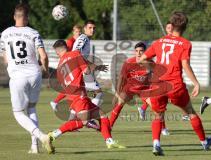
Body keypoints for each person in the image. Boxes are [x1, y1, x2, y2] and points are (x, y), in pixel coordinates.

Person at [138, 11, 211, 156]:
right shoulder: (185, 44)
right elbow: (185, 65)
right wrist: (196, 83)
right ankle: (204, 142)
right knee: (190, 112)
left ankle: (156, 144)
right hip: (175, 85)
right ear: (185, 27)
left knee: (157, 115)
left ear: (171, 26)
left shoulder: (159, 41)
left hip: (158, 84)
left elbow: (141, 60)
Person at [48, 40, 125, 151]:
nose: (57, 54)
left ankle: (109, 141)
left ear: (57, 51)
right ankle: (53, 135)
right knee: (81, 122)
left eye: (56, 53)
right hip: (79, 95)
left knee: (102, 115)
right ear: (66, 47)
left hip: (73, 95)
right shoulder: (75, 54)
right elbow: (87, 70)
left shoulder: (60, 64)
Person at [0, 4, 53, 154]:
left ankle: (42, 137)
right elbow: (44, 56)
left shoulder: (5, 33)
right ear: (27, 18)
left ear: (14, 17)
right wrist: (46, 71)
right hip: (34, 74)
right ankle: (34, 147)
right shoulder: (33, 33)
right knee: (31, 108)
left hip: (17, 76)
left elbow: (5, 59)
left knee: (18, 112)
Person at [50, 20, 103, 111]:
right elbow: (77, 52)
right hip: (80, 70)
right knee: (97, 93)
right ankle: (89, 113)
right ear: (85, 29)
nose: (92, 30)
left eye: (94, 28)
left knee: (79, 95)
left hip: (77, 69)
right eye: (90, 28)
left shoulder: (84, 39)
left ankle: (77, 113)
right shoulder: (83, 38)